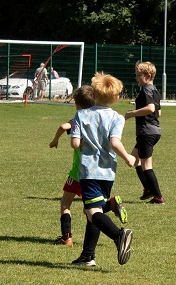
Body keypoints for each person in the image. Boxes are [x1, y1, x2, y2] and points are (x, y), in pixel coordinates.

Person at [69, 72, 136, 266]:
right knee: (95, 211)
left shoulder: (81, 115)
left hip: (89, 171)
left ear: (94, 95)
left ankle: (119, 236)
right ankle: (87, 256)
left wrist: (79, 139)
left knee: (92, 212)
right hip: (108, 172)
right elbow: (114, 142)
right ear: (116, 98)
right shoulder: (117, 118)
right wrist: (128, 158)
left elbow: (75, 143)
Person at [49, 85, 128, 246]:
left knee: (66, 204)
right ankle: (88, 253)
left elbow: (66, 129)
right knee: (91, 208)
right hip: (102, 170)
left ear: (77, 104)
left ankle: (67, 237)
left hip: (80, 171)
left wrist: (54, 140)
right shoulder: (103, 117)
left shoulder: (81, 118)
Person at [124, 61, 164, 204]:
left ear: (148, 75)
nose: (136, 78)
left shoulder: (146, 90)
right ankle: (148, 189)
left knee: (146, 165)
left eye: (138, 75)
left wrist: (132, 113)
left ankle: (158, 197)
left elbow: (151, 109)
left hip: (146, 132)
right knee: (134, 159)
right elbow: (159, 112)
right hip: (153, 130)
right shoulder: (154, 90)